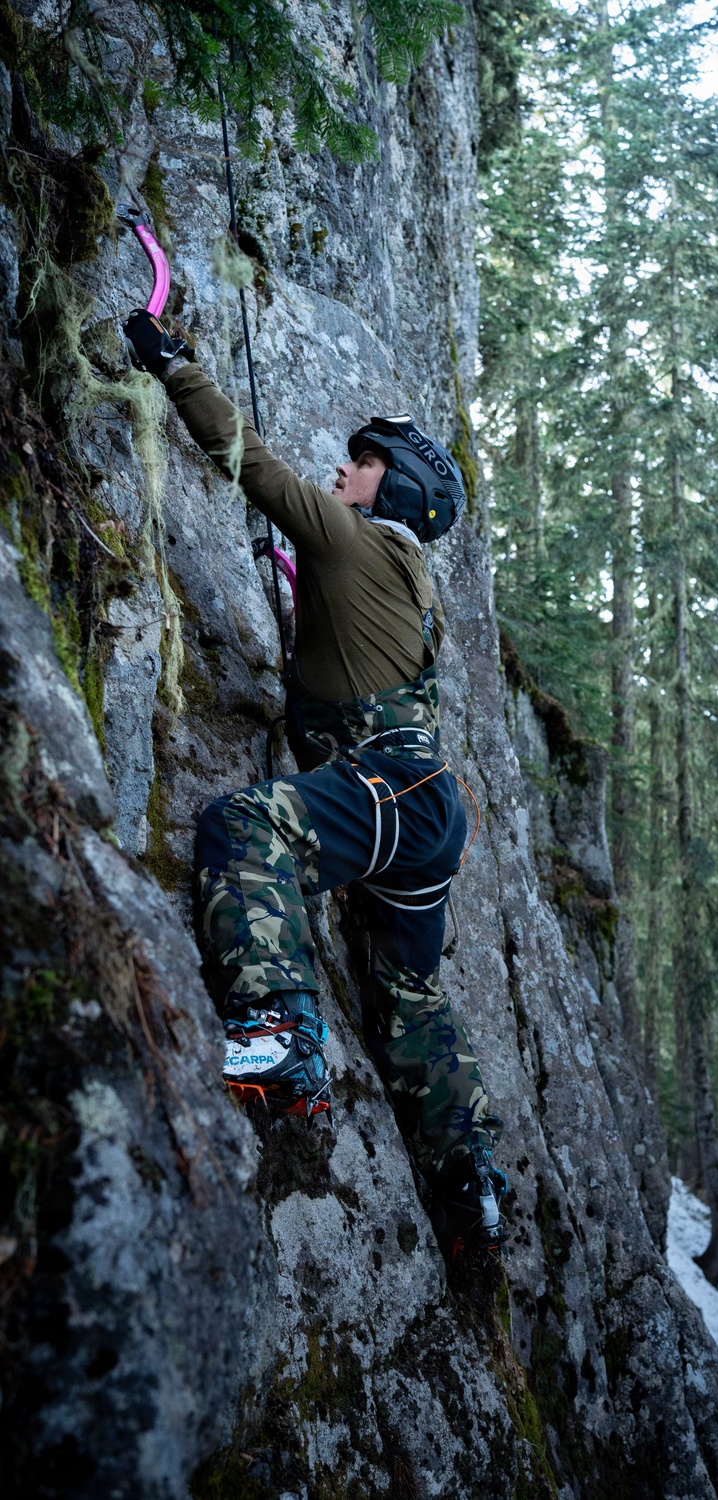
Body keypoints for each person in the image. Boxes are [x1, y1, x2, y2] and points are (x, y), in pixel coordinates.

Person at [122, 308, 507, 1260]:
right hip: (422, 809)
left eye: (362, 460)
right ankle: (469, 1189)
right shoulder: (408, 580)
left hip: (386, 791)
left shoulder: (356, 541)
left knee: (244, 828)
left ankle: (279, 1030)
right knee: (406, 998)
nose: (344, 469)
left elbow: (252, 463)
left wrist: (175, 365)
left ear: (395, 485)